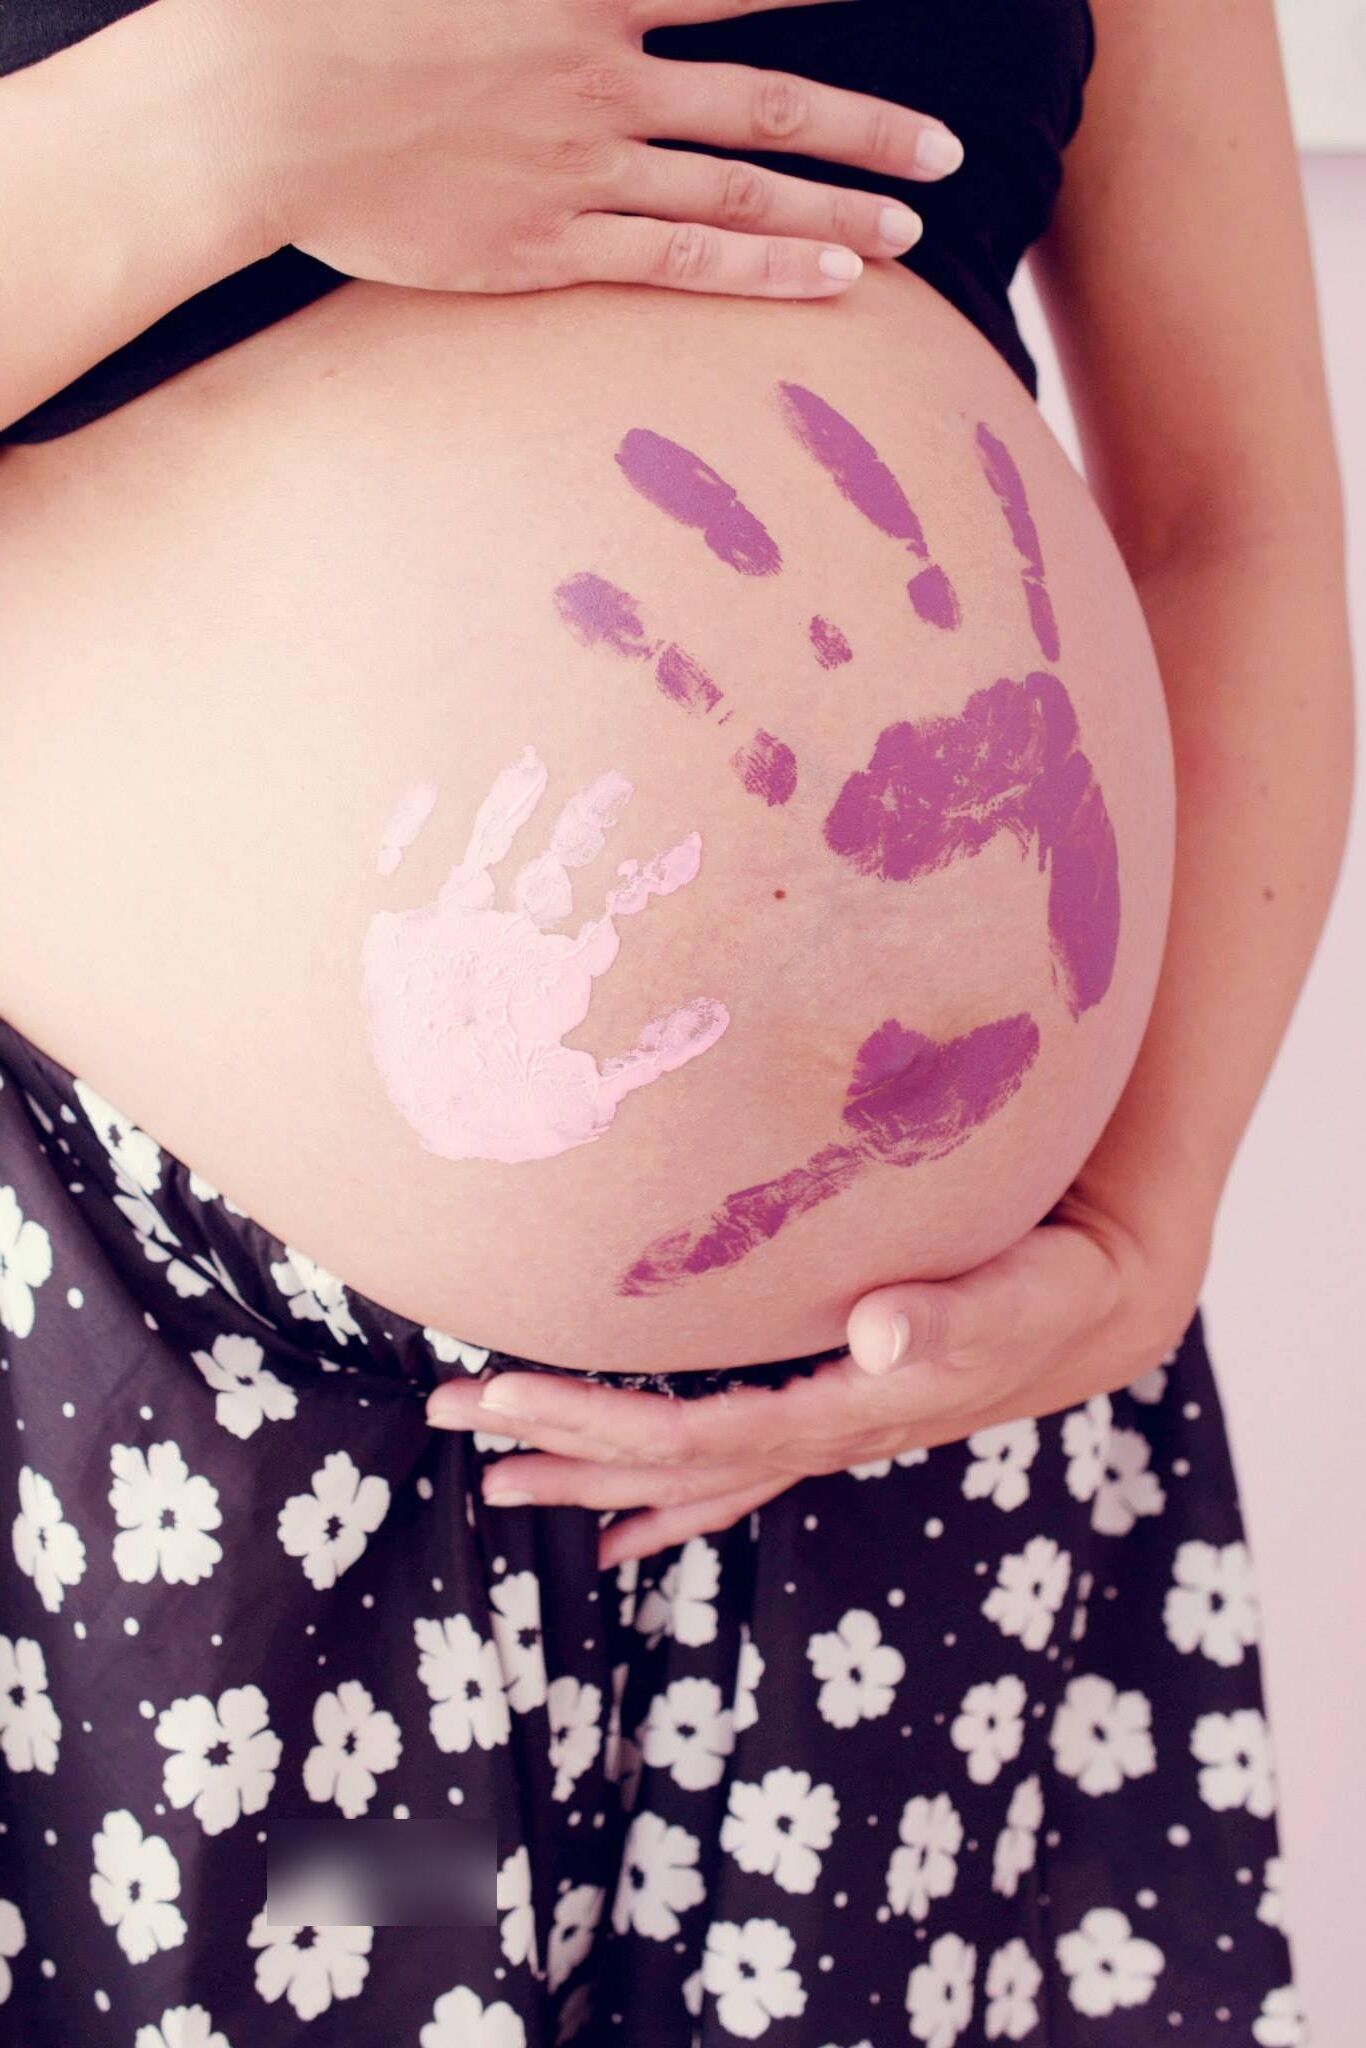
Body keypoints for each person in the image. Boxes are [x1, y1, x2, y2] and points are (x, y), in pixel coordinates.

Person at [0, 2, 1348, 2043]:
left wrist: (1139, 1233)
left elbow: (1222, 520)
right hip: (144, 1361)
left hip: (920, 1426)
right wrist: (209, 128)